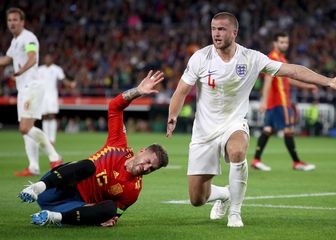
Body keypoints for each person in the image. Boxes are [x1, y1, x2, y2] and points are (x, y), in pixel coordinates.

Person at [166, 12, 336, 228]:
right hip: (204, 131)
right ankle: (226, 194)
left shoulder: (252, 58)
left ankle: (235, 213)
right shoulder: (200, 57)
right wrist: (173, 115)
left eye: (221, 29)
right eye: (213, 29)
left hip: (234, 124)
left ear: (234, 32)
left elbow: (292, 70)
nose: (215, 34)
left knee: (238, 150)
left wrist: (328, 81)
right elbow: (181, 90)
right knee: (197, 198)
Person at [18, 70, 169, 227]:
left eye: (152, 168)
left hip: (71, 207)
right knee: (88, 166)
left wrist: (109, 219)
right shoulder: (118, 145)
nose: (146, 168)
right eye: (148, 162)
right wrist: (138, 92)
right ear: (142, 151)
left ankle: (52, 217)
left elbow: (115, 214)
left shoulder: (133, 191)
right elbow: (115, 107)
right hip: (54, 185)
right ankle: (35, 188)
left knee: (110, 208)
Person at [0, 8, 63, 176]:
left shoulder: (28, 38)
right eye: (9, 20)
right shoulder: (15, 41)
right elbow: (6, 59)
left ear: (22, 22)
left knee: (25, 128)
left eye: (15, 20)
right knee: (27, 130)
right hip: (23, 89)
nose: (12, 23)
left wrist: (20, 71)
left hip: (32, 87)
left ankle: (55, 157)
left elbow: (32, 57)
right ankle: (33, 166)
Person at [251, 32, 318, 172]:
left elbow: (288, 79)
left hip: (274, 102)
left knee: (267, 129)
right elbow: (268, 80)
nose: (284, 45)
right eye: (281, 42)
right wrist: (264, 100)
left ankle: (256, 160)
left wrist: (308, 85)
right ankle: (297, 162)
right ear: (275, 43)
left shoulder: (281, 58)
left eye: (286, 42)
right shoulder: (273, 58)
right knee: (288, 130)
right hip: (279, 101)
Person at [39, 54, 76, 144]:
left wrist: (70, 84)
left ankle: (52, 138)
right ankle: (46, 138)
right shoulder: (39, 69)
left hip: (52, 95)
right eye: (45, 58)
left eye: (48, 58)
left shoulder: (57, 69)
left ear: (52, 59)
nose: (47, 60)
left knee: (52, 115)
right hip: (42, 96)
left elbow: (63, 80)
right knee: (44, 117)